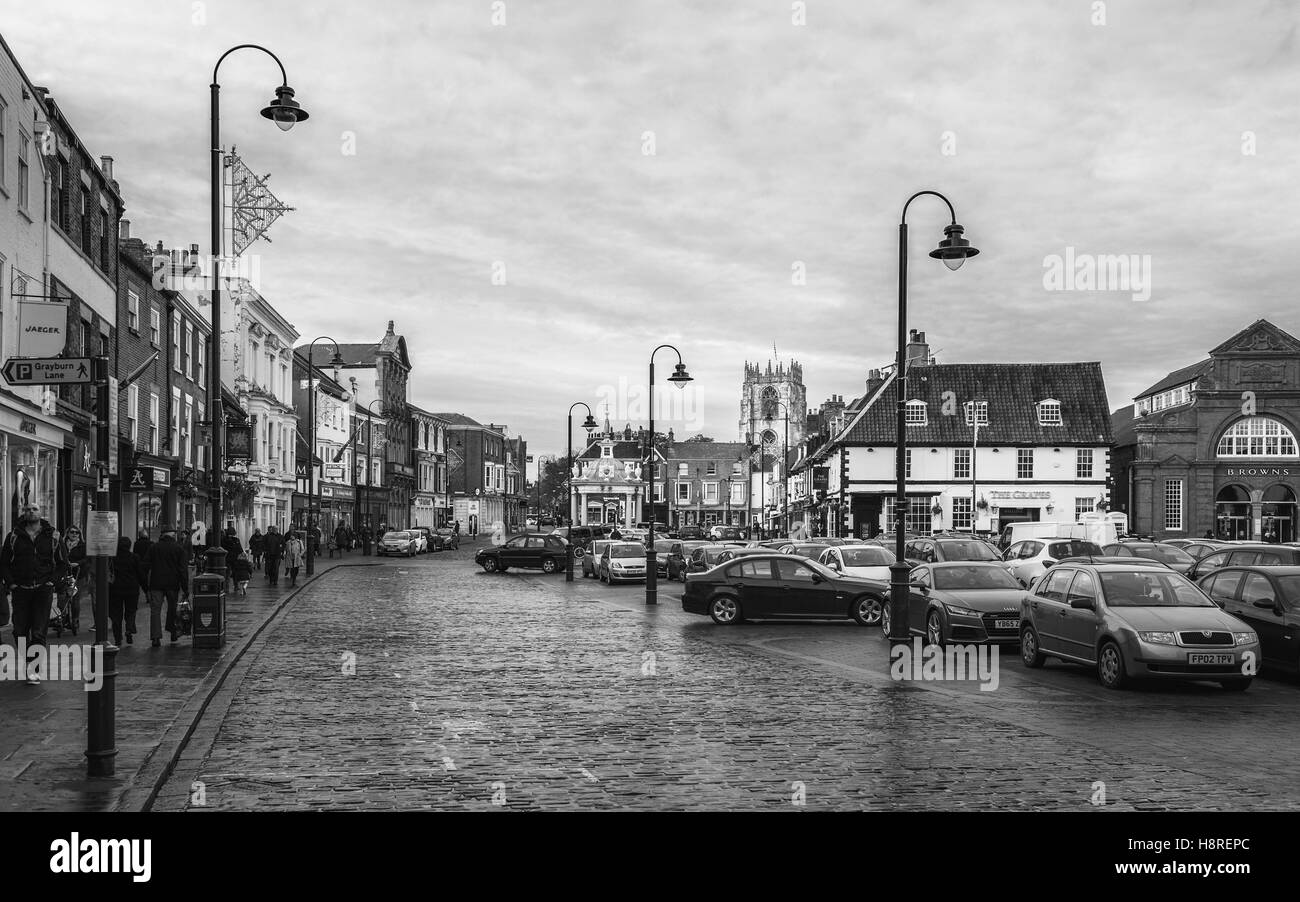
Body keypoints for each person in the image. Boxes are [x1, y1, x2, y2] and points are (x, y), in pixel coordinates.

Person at [0, 503, 69, 684]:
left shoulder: (53, 536)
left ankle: (33, 669)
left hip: (42, 590)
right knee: (19, 630)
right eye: (28, 509)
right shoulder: (14, 536)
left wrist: (51, 581)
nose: (31, 511)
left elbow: (63, 564)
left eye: (34, 509)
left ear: (40, 513)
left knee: (38, 631)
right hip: (20, 590)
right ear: (24, 513)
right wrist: (12, 583)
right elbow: (4, 563)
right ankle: (29, 660)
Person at [144, 526, 189, 646]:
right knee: (172, 608)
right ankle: (173, 632)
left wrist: (145, 585)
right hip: (172, 584)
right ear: (173, 535)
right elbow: (183, 570)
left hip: (156, 583)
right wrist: (185, 588)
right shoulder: (179, 549)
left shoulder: (153, 547)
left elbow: (145, 566)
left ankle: (155, 637)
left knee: (155, 610)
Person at [109, 536, 145, 646]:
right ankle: (129, 629)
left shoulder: (112, 558)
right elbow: (140, 574)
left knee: (116, 615)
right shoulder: (134, 557)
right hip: (132, 589)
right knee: (131, 611)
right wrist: (145, 587)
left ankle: (118, 638)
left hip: (115, 589)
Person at [63, 525, 89, 631]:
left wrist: (77, 563)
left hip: (79, 574)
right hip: (64, 574)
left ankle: (75, 620)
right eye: (72, 532)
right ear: (68, 533)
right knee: (63, 598)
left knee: (75, 598)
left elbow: (87, 559)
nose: (74, 534)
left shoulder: (83, 546)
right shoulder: (62, 544)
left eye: (76, 532)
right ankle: (64, 619)